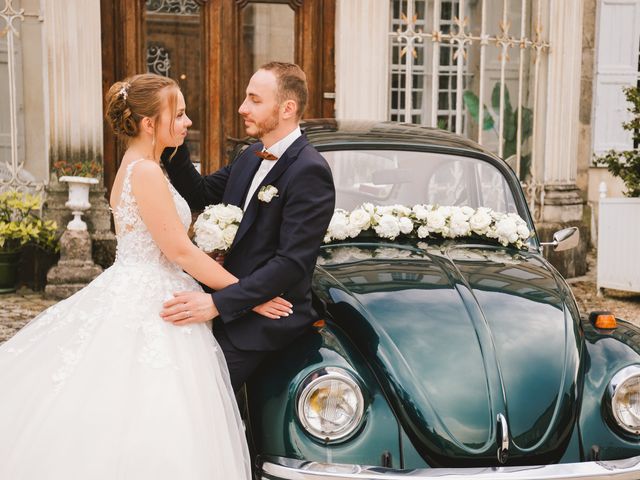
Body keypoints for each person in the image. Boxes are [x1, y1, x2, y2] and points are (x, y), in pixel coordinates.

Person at [0, 73, 289, 479]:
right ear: (150, 123)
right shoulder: (147, 172)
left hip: (147, 286)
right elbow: (179, 251)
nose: (188, 123)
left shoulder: (141, 166)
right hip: (156, 299)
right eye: (180, 113)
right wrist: (249, 294)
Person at [160, 62, 336, 392]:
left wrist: (217, 304)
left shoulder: (310, 171)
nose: (243, 108)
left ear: (287, 108)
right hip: (228, 303)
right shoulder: (251, 154)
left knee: (194, 393)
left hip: (262, 323)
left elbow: (291, 263)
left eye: (254, 100)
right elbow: (202, 193)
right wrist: (174, 140)